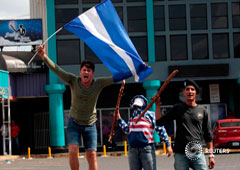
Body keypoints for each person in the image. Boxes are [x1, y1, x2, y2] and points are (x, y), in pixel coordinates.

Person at [37, 45, 117, 170]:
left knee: (91, 155)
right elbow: (57, 69)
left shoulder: (98, 83)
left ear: (92, 74)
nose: (86, 72)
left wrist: (135, 70)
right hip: (74, 123)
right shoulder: (73, 80)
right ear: (80, 72)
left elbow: (115, 78)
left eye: (89, 70)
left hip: (90, 125)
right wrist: (44, 56)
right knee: (73, 150)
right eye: (84, 70)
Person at [156, 79, 215, 170]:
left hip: (197, 151)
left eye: (192, 89)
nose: (190, 91)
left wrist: (211, 155)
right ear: (183, 92)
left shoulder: (202, 111)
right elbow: (159, 122)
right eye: (187, 89)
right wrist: (157, 106)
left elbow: (208, 135)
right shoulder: (177, 108)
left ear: (196, 93)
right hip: (180, 153)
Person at [115, 95, 173, 170]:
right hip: (132, 149)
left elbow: (160, 128)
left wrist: (168, 144)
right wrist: (119, 119)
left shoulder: (150, 115)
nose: (137, 108)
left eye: (138, 106)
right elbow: (127, 130)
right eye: (135, 106)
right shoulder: (132, 117)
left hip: (146, 148)